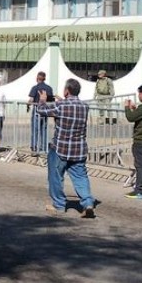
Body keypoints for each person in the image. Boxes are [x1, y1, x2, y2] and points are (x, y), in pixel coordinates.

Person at [36, 78, 96, 218]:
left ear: (67, 91)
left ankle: (59, 205)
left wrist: (43, 99)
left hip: (61, 148)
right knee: (80, 177)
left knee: (56, 177)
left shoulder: (61, 105)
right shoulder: (84, 106)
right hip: (79, 148)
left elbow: (41, 110)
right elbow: (71, 112)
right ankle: (87, 203)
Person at [27, 72, 53, 154]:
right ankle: (44, 147)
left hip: (36, 110)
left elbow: (31, 100)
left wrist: (27, 105)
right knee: (44, 129)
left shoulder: (35, 88)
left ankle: (34, 147)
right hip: (45, 112)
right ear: (44, 78)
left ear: (37, 78)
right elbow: (51, 100)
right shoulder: (49, 88)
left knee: (35, 129)